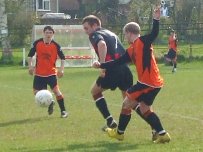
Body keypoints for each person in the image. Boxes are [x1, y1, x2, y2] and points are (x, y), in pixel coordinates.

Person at [94, 7, 171, 143]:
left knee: (127, 102)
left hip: (148, 82)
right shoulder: (131, 49)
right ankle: (162, 134)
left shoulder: (143, 42)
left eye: (125, 34)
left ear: (129, 33)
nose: (125, 37)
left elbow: (154, 32)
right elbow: (117, 62)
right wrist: (101, 65)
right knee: (144, 108)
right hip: (155, 83)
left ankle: (119, 133)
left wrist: (156, 19)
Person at [82, 15, 133, 130]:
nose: (86, 31)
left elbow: (102, 45)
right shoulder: (111, 33)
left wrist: (102, 65)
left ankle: (110, 120)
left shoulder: (94, 34)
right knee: (130, 101)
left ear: (95, 25)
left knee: (95, 92)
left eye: (86, 28)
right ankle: (155, 128)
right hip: (125, 68)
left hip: (112, 69)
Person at [28, 25, 68, 118]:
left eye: (50, 33)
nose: (48, 34)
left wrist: (61, 70)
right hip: (39, 73)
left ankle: (63, 111)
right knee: (36, 93)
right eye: (47, 32)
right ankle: (50, 102)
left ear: (53, 34)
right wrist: (30, 67)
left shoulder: (56, 45)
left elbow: (63, 58)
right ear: (43, 33)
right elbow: (30, 55)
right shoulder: (37, 43)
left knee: (57, 91)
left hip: (51, 73)